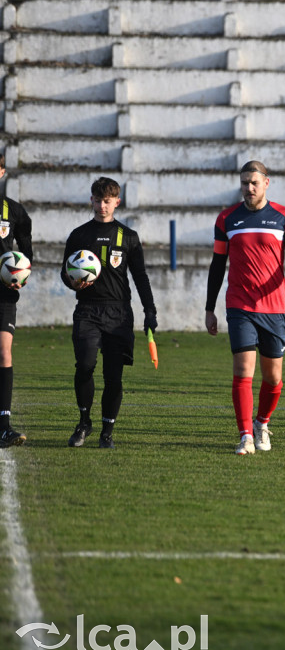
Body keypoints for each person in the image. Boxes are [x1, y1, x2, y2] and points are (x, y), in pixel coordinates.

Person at [205, 161, 285, 455]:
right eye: (244, 184)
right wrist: (209, 308)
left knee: (273, 377)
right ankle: (245, 436)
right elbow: (216, 266)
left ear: (266, 183)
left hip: (274, 308)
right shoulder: (227, 218)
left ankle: (262, 422)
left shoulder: (283, 216)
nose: (249, 189)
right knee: (242, 370)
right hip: (239, 305)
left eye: (254, 183)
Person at [62, 177, 157, 449]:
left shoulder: (128, 237)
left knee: (113, 376)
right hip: (88, 311)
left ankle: (107, 432)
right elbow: (64, 273)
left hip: (119, 314)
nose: (103, 206)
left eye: (108, 201)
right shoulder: (79, 235)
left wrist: (149, 311)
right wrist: (73, 282)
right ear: (91, 200)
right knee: (85, 365)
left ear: (117, 202)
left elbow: (140, 276)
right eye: (98, 200)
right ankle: (83, 423)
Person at [0, 154, 33, 447]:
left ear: (1, 172)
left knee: (4, 352)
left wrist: (21, 273)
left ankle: (4, 425)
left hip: (3, 294)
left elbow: (26, 254)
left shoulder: (14, 211)